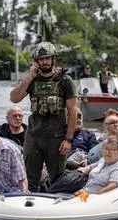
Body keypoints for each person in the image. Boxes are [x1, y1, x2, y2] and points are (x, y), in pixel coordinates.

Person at [9, 42, 78, 192]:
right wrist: (29, 77)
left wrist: (68, 139)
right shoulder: (32, 80)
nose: (44, 62)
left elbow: (73, 111)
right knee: (30, 177)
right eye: (41, 59)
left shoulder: (65, 81)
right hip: (34, 136)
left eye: (47, 58)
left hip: (56, 137)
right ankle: (30, 207)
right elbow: (14, 98)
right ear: (36, 62)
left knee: (58, 179)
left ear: (53, 59)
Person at [74, 136, 118, 201]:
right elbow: (90, 167)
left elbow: (108, 189)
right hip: (82, 191)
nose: (107, 152)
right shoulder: (103, 160)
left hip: (93, 199)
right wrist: (79, 173)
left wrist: (86, 194)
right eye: (105, 149)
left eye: (111, 150)